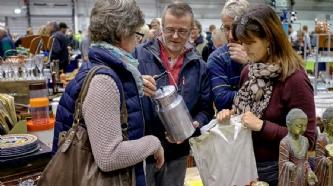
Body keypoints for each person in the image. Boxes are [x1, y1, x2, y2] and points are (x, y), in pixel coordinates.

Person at [52, 0, 164, 186]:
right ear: (121, 33)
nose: (138, 42)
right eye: (137, 35)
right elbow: (109, 156)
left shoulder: (105, 70)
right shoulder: (103, 82)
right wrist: (153, 143)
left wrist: (129, 85)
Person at [217, 5, 316, 185]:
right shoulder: (249, 71)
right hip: (244, 164)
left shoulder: (294, 79)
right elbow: (244, 114)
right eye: (242, 42)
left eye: (250, 43)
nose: (244, 49)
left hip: (278, 171)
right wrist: (230, 117)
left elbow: (308, 140)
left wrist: (263, 126)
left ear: (270, 39)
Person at [133, 2, 214, 186]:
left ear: (192, 30)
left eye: (182, 31)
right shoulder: (138, 56)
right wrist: (136, 86)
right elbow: (122, 99)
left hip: (178, 152)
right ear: (161, 26)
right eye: (170, 30)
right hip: (143, 151)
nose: (176, 36)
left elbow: (205, 109)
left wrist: (195, 125)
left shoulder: (199, 66)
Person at [207, 0, 250, 111]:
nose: (230, 35)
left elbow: (276, 93)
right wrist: (258, 94)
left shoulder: (263, 52)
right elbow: (222, 101)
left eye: (236, 28)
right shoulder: (217, 58)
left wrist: (249, 64)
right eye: (226, 28)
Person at [278, 109, 317, 186]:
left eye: (305, 126)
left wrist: (309, 171)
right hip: (291, 178)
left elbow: (305, 161)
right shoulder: (285, 143)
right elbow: (283, 163)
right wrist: (290, 165)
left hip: (302, 176)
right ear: (289, 124)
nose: (303, 129)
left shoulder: (305, 141)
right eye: (299, 126)